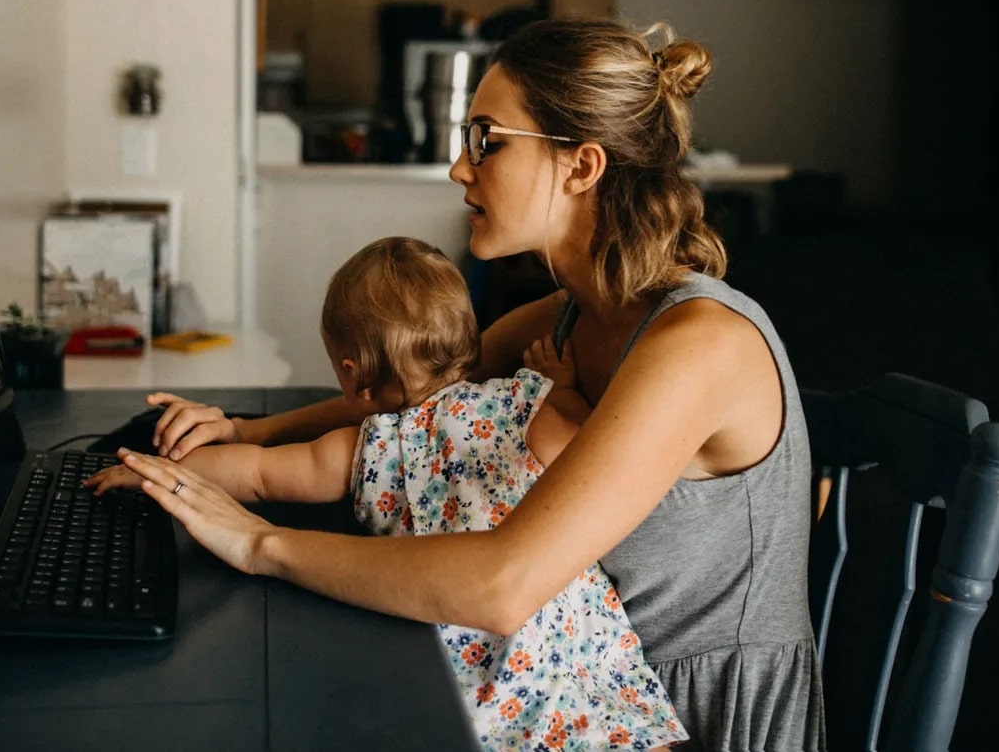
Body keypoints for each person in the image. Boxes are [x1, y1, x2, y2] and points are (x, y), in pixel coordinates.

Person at [109, 17, 825, 751]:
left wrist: (261, 544)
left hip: (677, 716)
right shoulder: (572, 313)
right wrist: (245, 432)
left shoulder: (697, 345)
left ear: (581, 167)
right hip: (563, 686)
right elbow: (422, 401)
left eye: (486, 139)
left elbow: (503, 585)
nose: (460, 167)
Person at [87, 237, 687, 751]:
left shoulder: (369, 448)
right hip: (578, 663)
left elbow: (258, 474)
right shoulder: (530, 406)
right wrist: (561, 386)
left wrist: (153, 474)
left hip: (475, 681)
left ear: (351, 375)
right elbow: (584, 441)